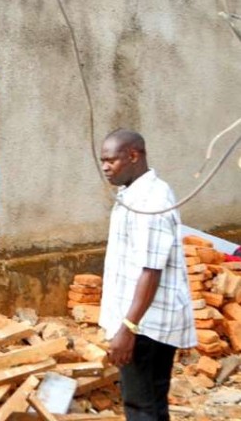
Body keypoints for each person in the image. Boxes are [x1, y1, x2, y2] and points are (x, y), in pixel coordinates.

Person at [98, 129, 196, 421]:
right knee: (152, 405)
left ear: (133, 156)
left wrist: (128, 328)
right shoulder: (133, 193)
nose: (104, 167)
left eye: (110, 160)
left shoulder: (150, 201)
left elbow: (151, 270)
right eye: (102, 160)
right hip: (142, 321)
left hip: (146, 326)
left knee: (141, 408)